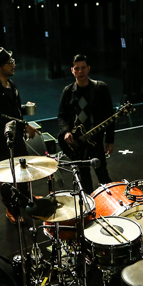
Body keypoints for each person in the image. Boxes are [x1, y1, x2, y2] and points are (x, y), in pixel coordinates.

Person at [0, 47, 37, 222]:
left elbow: (10, 110)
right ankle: (11, 208)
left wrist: (24, 110)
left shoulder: (11, 85)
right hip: (2, 141)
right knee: (6, 176)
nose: (14, 65)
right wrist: (24, 124)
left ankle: (26, 199)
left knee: (22, 170)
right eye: (9, 63)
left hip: (17, 137)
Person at [57, 54, 115, 191]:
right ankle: (89, 208)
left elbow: (110, 117)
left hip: (96, 141)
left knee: (103, 176)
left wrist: (110, 141)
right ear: (72, 70)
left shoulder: (100, 88)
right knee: (84, 180)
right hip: (76, 143)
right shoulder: (68, 91)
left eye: (83, 68)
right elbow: (61, 116)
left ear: (89, 68)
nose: (80, 72)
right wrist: (65, 132)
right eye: (77, 68)